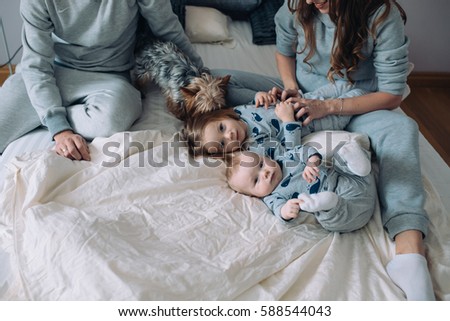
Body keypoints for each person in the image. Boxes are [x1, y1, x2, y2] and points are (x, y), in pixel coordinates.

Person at [210, 0, 434, 300]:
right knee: (218, 79)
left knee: (403, 130)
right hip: (303, 98)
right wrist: (289, 89)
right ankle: (253, 130)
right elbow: (284, 52)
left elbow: (391, 95)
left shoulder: (381, 15)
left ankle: (409, 253)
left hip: (358, 104)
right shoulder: (295, 7)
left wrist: (327, 107)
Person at [0, 0, 203, 161]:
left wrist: (200, 73)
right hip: (53, 73)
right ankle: (46, 111)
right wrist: (59, 129)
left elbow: (168, 29)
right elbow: (36, 66)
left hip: (110, 76)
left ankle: (42, 112)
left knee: (112, 119)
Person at [184, 89, 372, 178]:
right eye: (223, 144)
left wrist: (261, 96)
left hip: (308, 96)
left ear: (222, 115)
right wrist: (289, 121)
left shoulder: (239, 111)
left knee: (349, 86)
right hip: (313, 121)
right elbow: (291, 149)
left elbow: (259, 103)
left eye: (222, 128)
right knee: (359, 103)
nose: (229, 136)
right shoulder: (254, 146)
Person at [225, 148, 376, 233]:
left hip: (347, 180)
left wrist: (311, 162)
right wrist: (286, 210)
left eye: (261, 165)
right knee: (331, 223)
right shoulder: (272, 197)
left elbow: (306, 150)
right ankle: (328, 203)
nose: (264, 173)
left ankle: (357, 164)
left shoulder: (286, 157)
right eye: (256, 180)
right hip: (345, 209)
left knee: (335, 157)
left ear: (265, 156)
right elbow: (280, 211)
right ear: (253, 195)